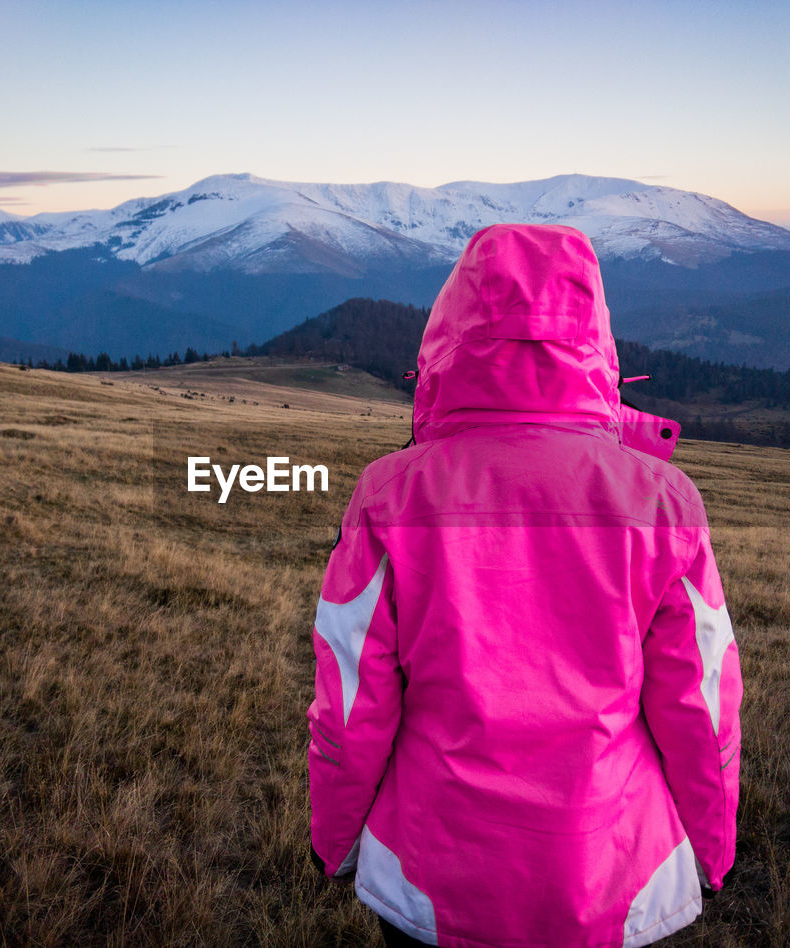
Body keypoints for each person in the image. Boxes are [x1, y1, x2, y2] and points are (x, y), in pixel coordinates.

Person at [306, 223, 742, 947]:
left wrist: (336, 841)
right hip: (612, 876)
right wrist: (713, 848)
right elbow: (703, 709)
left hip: (431, 877)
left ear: (448, 333)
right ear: (596, 342)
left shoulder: (387, 496)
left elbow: (351, 706)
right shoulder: (665, 503)